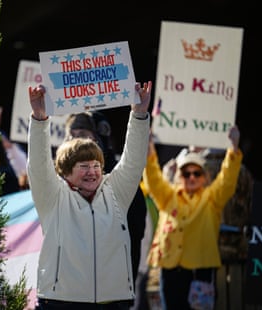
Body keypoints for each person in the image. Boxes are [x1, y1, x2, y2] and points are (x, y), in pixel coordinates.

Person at [28, 81, 152, 309]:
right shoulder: (52, 198)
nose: (92, 172)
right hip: (60, 302)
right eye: (83, 166)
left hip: (112, 301)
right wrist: (39, 118)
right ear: (65, 172)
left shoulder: (115, 194)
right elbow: (37, 164)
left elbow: (133, 162)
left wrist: (139, 114)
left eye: (96, 165)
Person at [143, 126, 242, 310]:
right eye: (186, 173)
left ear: (205, 177)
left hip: (200, 270)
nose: (191, 177)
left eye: (197, 173)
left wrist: (233, 149)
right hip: (170, 267)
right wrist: (149, 148)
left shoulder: (212, 199)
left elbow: (227, 180)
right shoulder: (168, 196)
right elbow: (153, 177)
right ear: (179, 176)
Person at [64, 111, 148, 304]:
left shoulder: (121, 180)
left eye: (83, 135)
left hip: (111, 294)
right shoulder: (61, 183)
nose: (76, 141)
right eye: (71, 135)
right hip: (71, 294)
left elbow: (134, 234)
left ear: (99, 136)